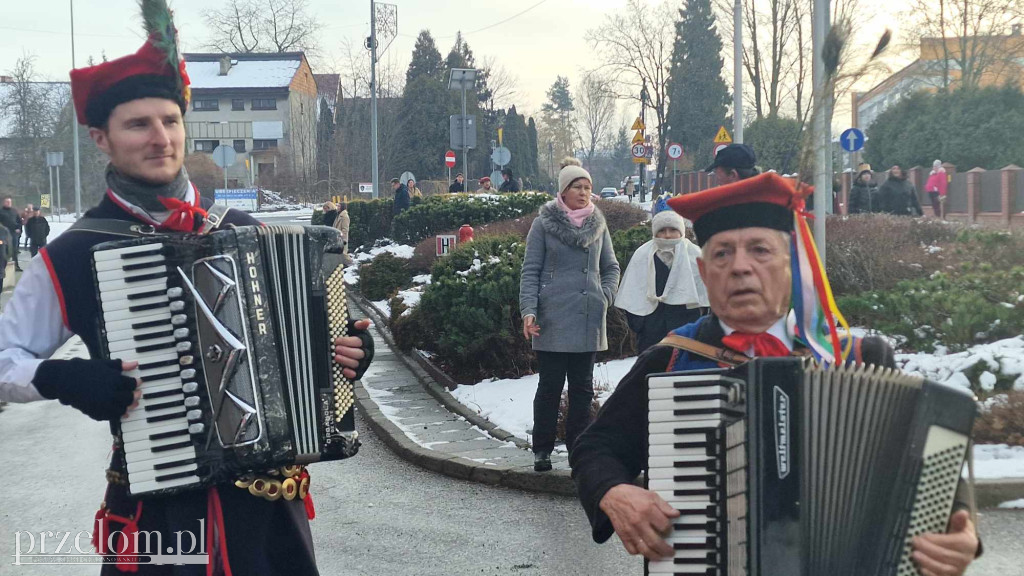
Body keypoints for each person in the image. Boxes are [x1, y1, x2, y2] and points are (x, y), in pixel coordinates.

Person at [0, 7, 374, 574]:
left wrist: (346, 354)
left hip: (270, 516)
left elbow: (310, 352)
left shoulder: (246, 232)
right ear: (101, 138)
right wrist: (58, 377)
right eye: (138, 125)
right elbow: (6, 359)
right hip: (160, 518)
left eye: (170, 121)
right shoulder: (74, 253)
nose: (160, 138)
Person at [570, 173, 980, 575]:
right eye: (722, 254)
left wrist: (959, 529)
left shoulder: (859, 358)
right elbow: (596, 448)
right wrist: (614, 491)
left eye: (760, 251)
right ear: (705, 273)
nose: (740, 267)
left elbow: (927, 458)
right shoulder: (672, 360)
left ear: (792, 265)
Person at [520, 157, 620, 472]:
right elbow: (530, 271)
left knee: (582, 389)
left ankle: (579, 451)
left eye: (587, 186)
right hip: (552, 318)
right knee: (549, 386)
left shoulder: (599, 223)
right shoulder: (543, 224)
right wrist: (529, 311)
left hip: (589, 315)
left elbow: (611, 267)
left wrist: (605, 296)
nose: (583, 192)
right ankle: (542, 450)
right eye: (577, 186)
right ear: (563, 191)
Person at [616, 201, 708, 353]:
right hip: (651, 334)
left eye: (673, 230)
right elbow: (632, 292)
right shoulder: (642, 255)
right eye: (662, 230)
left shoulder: (695, 255)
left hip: (688, 332)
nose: (667, 235)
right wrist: (641, 324)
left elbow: (707, 297)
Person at [0, 196, 24, 271]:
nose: (9, 203)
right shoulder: (1, 211)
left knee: (14, 249)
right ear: (4, 203)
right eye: (7, 202)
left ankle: (16, 266)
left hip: (13, 234)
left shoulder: (14, 211)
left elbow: (19, 221)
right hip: (3, 235)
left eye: (10, 202)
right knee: (4, 250)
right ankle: (3, 266)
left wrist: (19, 229)